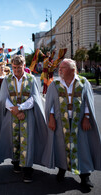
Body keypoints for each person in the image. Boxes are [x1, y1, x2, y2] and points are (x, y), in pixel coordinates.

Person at [43, 58, 101, 189]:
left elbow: (87, 101)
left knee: (82, 147)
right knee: (61, 145)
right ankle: (62, 169)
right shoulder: (55, 84)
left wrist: (87, 117)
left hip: (79, 122)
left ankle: (85, 176)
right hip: (60, 121)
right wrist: (51, 117)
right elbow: (50, 103)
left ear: (72, 70)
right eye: (60, 68)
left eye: (62, 68)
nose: (59, 70)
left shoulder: (83, 82)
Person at [0, 55, 48, 183]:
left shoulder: (31, 79)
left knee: (27, 140)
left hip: (27, 115)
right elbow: (3, 98)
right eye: (14, 67)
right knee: (13, 138)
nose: (17, 70)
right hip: (11, 114)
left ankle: (27, 169)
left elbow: (34, 97)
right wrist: (14, 110)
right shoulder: (7, 79)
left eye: (19, 67)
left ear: (24, 66)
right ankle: (16, 162)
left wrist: (21, 108)